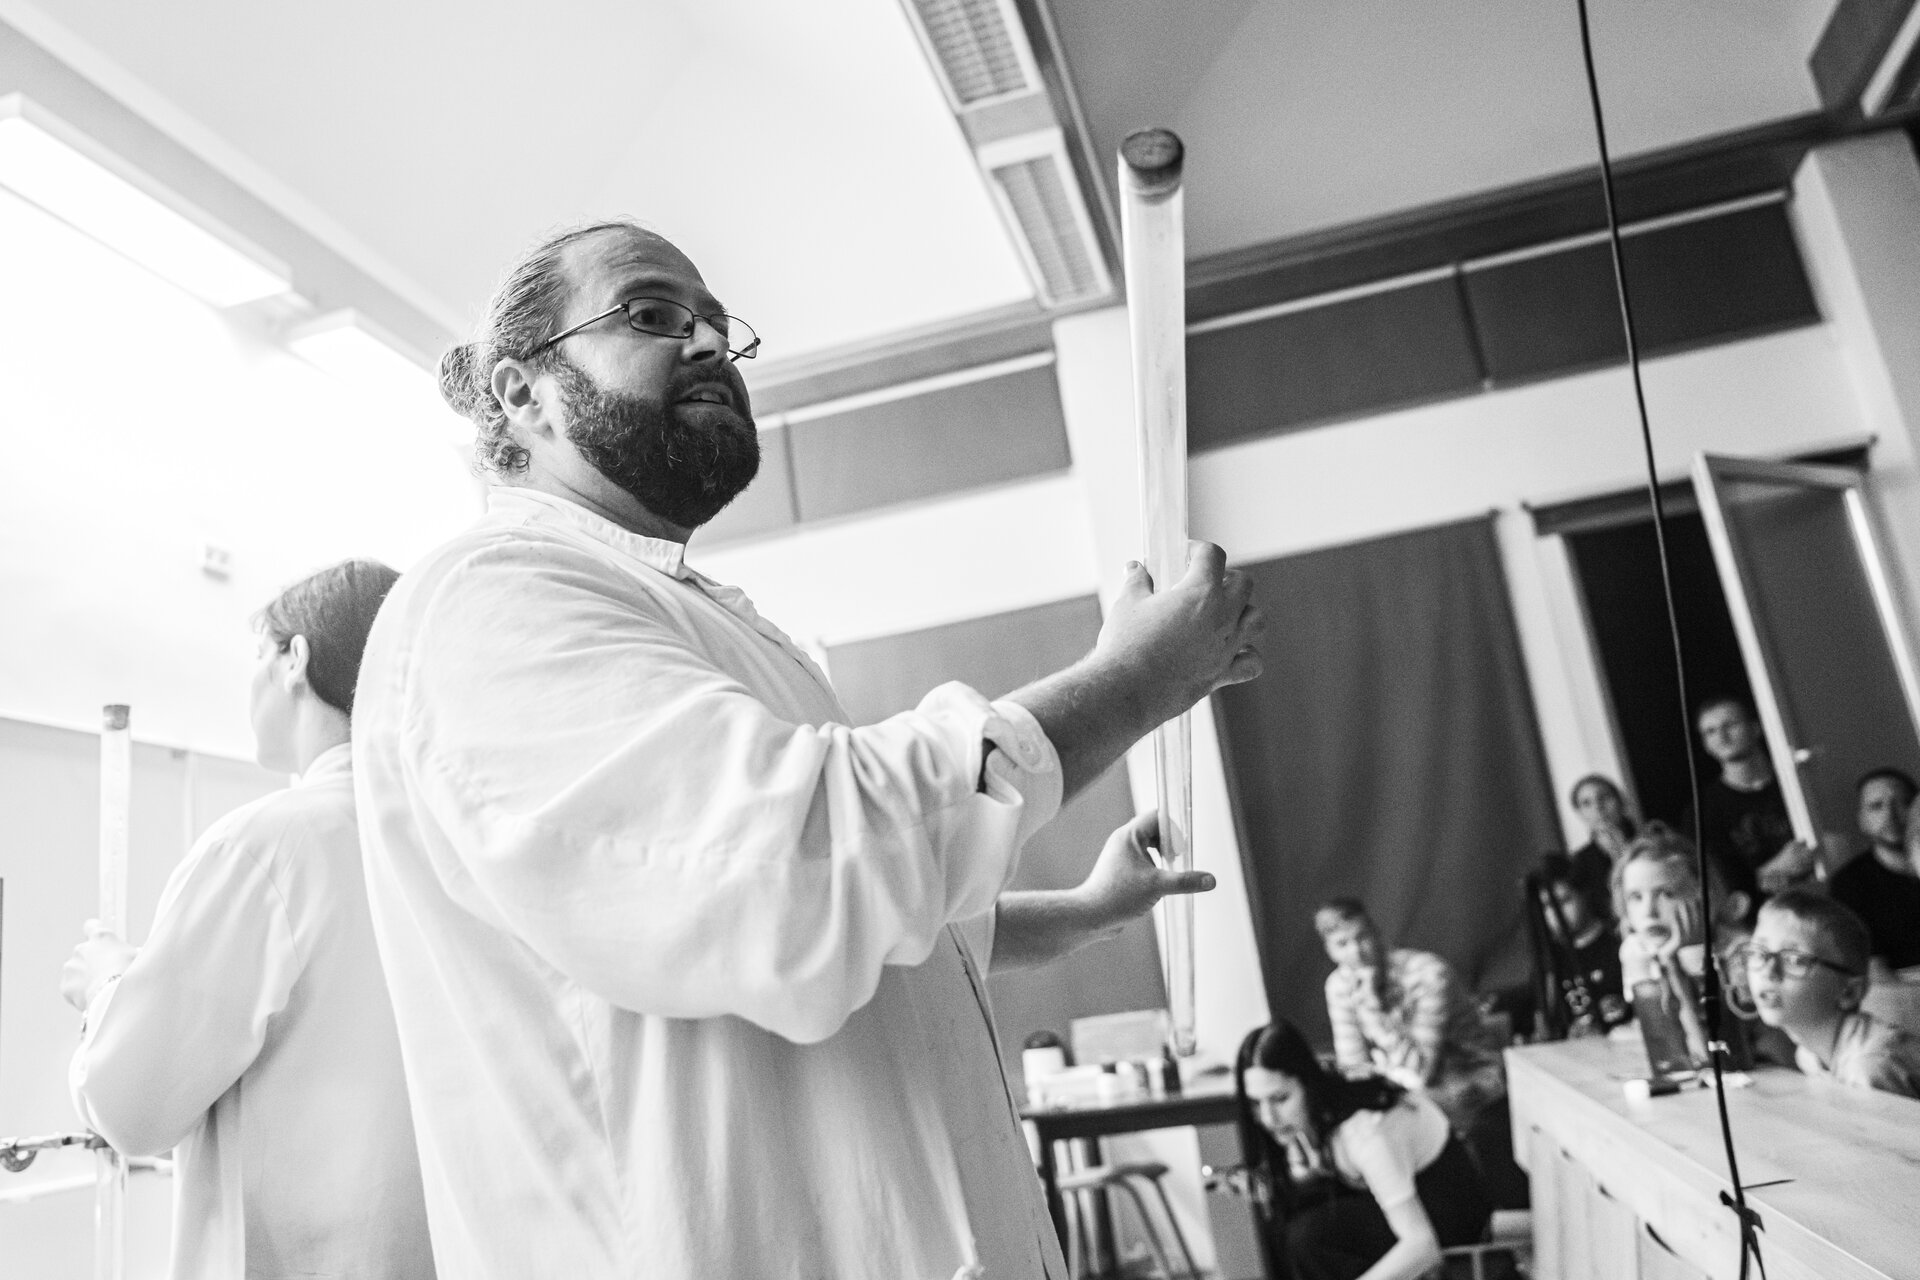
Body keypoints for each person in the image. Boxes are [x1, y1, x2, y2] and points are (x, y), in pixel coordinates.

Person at [351, 220, 1265, 1279]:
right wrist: (1135, 683)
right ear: (523, 392)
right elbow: (783, 870)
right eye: (652, 314)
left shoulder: (692, 613)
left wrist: (1081, 912)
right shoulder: (493, 597)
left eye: (717, 326)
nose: (707, 342)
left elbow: (859, 905)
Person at [62, 561, 433, 1280]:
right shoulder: (447, 843)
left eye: (258, 654)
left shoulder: (267, 847)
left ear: (294, 661)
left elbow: (131, 1105)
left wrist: (107, 987)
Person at [1235, 1021, 1492, 1280]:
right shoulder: (1321, 1112)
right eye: (1256, 1103)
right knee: (1289, 1220)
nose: (1268, 1118)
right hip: (1407, 1189)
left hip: (1452, 1207)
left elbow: (1423, 1246)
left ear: (1307, 1084)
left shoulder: (1363, 1131)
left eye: (1280, 1099)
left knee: (1308, 1237)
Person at [1315, 899, 1520, 1207]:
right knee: (1358, 1134)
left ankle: (1454, 1214)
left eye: (1362, 937)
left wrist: (1372, 1010)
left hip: (1469, 1076)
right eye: (1342, 944)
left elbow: (1421, 1068)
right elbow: (1354, 1068)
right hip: (1407, 1085)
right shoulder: (1339, 986)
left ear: (1377, 933)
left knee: (1394, 1130)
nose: (1356, 952)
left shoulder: (1427, 973)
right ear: (1330, 951)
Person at [1737, 890, 1920, 1098]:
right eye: (1758, 952)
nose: (1768, 971)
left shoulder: (1869, 1067)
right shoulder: (1809, 1055)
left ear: (1849, 992)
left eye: (1794, 960)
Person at [1681, 697, 1807, 913]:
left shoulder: (1795, 786)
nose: (1722, 736)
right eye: (1710, 731)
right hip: (1757, 917)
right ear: (1705, 744)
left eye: (1730, 725)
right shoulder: (1701, 811)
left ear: (1755, 728)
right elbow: (1714, 884)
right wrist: (1774, 869)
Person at [1829, 768, 1920, 974]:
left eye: (1903, 802)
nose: (1890, 815)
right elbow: (1874, 975)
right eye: (1876, 806)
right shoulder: (1849, 885)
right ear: (1862, 820)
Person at [1533, 851, 1628, 1035]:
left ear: (1584, 894)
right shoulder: (1549, 961)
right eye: (1547, 906)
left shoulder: (1618, 943)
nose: (1555, 914)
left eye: (1564, 901)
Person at [1566, 773, 1636, 921]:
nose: (1598, 807)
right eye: (1586, 803)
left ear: (1620, 801)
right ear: (1580, 813)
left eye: (1604, 797)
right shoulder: (1579, 863)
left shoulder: (1652, 839)